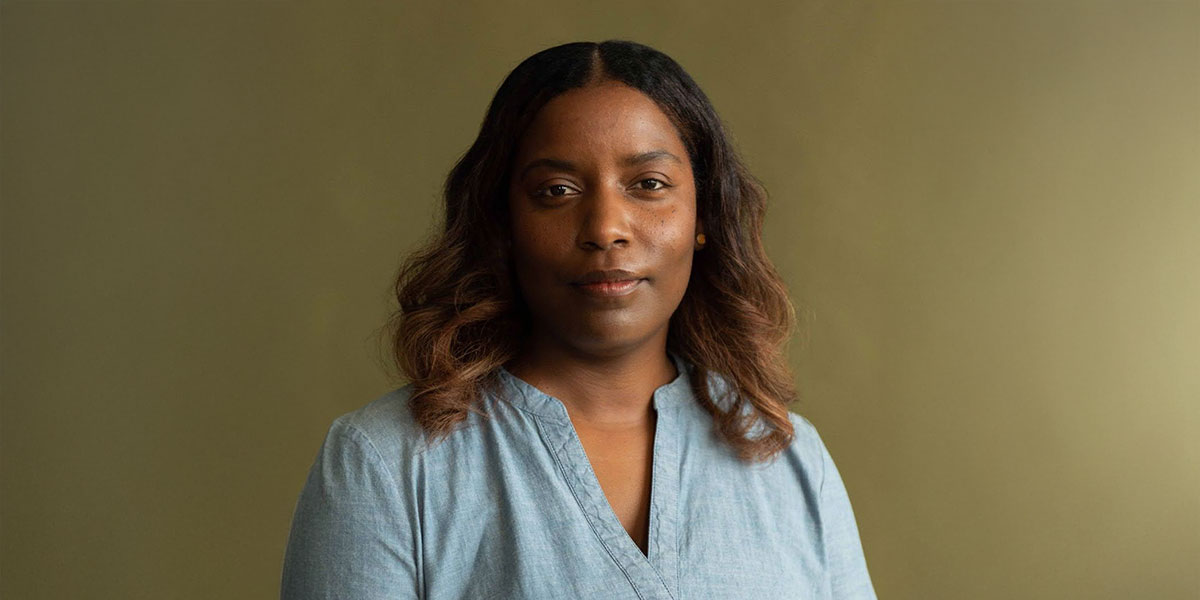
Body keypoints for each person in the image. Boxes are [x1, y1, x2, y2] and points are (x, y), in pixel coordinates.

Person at [280, 39, 877, 599]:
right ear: (503, 223)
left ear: (704, 216)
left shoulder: (789, 457)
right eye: (557, 191)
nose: (604, 229)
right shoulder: (384, 462)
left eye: (648, 184)